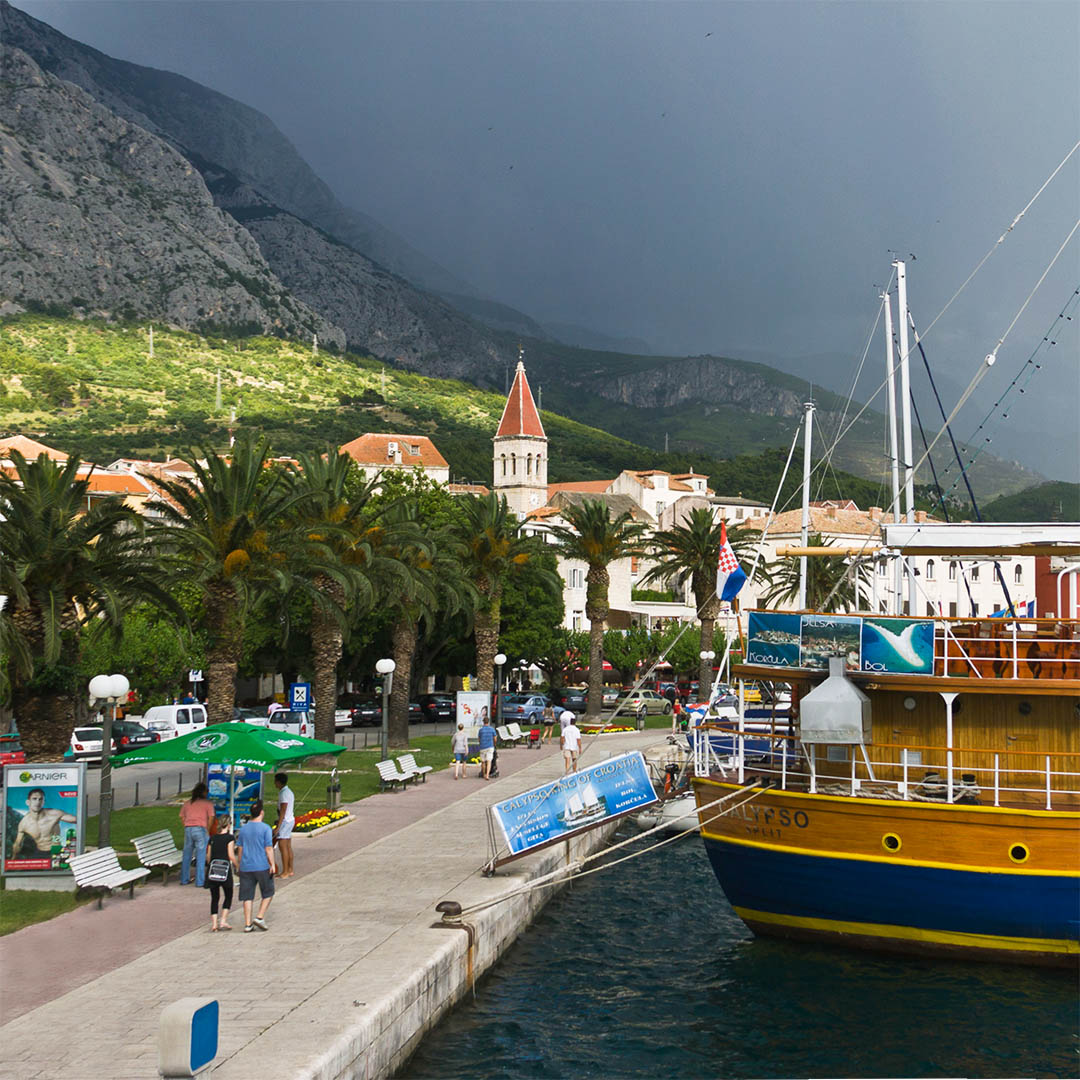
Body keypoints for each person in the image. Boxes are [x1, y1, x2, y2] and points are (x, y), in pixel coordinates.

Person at [235, 799, 275, 932]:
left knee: (247, 896)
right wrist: (272, 864)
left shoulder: (243, 829)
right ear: (262, 813)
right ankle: (259, 916)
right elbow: (268, 848)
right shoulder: (266, 828)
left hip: (246, 866)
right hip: (262, 865)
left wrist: (240, 864)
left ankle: (247, 924)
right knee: (268, 892)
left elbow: (239, 848)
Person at [12, 788, 76, 858]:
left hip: (56, 849)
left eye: (40, 799)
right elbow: (17, 844)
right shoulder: (24, 824)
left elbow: (76, 820)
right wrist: (12, 859)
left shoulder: (54, 814)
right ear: (28, 802)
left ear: (43, 802)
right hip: (40, 852)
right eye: (34, 799)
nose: (37, 802)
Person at [178, 782, 215, 886]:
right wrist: (207, 829)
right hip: (200, 829)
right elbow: (211, 817)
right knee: (201, 855)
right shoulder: (208, 804)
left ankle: (184, 879)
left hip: (188, 829)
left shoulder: (187, 803)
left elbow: (181, 816)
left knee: (187, 855)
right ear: (204, 792)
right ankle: (200, 881)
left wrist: (186, 824)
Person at [205, 815, 237, 932]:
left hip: (213, 870)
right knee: (228, 895)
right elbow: (231, 855)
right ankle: (223, 920)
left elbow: (208, 856)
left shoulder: (212, 838)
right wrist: (237, 865)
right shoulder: (230, 838)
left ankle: (214, 924)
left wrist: (210, 864)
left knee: (215, 897)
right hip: (225, 870)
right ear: (228, 825)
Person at [273, 773, 295, 878]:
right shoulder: (288, 791)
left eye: (275, 781)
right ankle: (290, 869)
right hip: (290, 820)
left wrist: (278, 826)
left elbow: (283, 810)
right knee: (288, 846)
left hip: (285, 821)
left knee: (283, 846)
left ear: (278, 782)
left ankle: (285, 871)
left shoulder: (284, 793)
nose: (274, 783)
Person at [477, 714, 496, 779]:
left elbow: (479, 739)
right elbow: (495, 738)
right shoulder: (492, 729)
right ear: (488, 722)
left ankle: (484, 773)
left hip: (482, 747)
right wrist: (494, 744)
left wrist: (481, 743)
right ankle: (487, 775)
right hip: (490, 746)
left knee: (483, 762)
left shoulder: (481, 730)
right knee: (489, 761)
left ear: (483, 722)